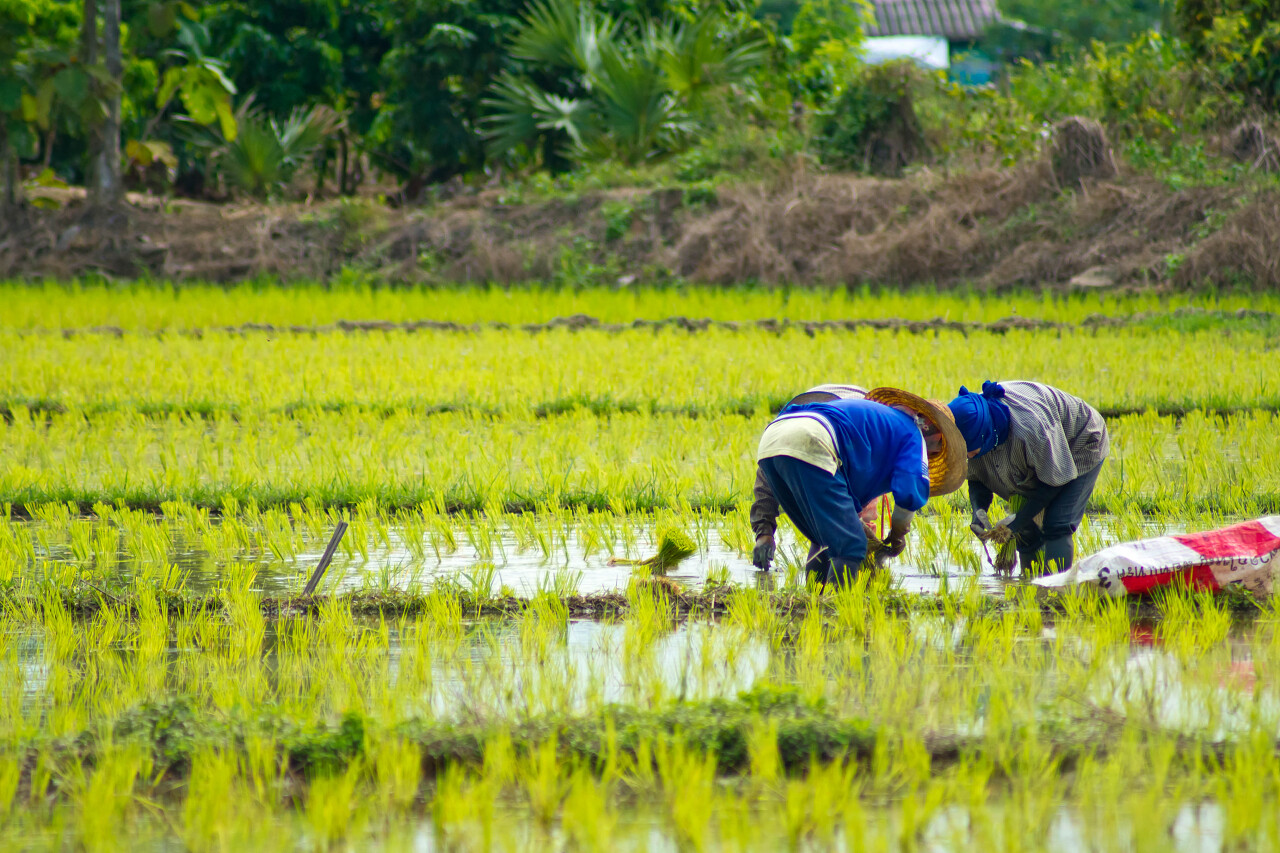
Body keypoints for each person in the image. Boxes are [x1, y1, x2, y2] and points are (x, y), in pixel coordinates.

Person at [753, 387, 967, 586]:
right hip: (813, 438)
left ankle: (813, 607)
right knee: (851, 546)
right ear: (931, 427)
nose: (936, 453)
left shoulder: (880, 424)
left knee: (826, 542)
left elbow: (843, 500)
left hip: (772, 438)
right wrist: (897, 536)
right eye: (940, 444)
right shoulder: (913, 434)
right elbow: (909, 494)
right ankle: (837, 613)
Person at [948, 381, 1109, 575]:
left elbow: (1053, 481)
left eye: (970, 451)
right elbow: (977, 478)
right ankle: (1029, 584)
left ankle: (1056, 593)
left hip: (1080, 443)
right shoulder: (972, 431)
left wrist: (1016, 522)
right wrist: (978, 511)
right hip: (1037, 455)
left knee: (1057, 523)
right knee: (1027, 530)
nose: (968, 456)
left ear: (985, 435)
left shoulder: (1031, 430)